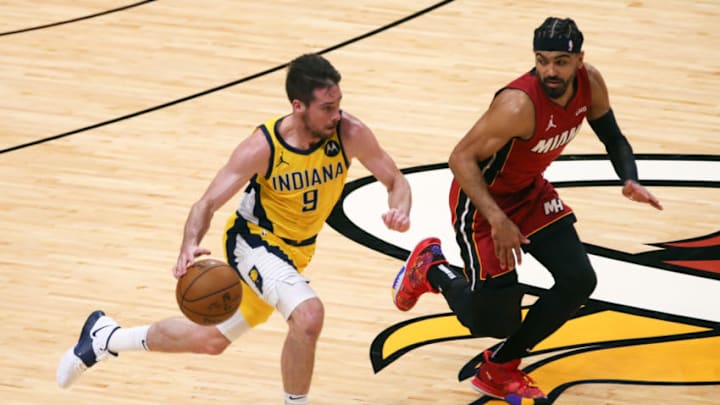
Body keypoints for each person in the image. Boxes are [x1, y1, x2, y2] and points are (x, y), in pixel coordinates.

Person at [57, 53, 411, 405]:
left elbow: (395, 179)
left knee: (211, 340)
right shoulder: (263, 147)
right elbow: (206, 203)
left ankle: (106, 337)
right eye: (327, 108)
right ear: (298, 106)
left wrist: (399, 210)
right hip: (254, 242)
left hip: (296, 253)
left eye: (339, 105)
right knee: (308, 316)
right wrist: (189, 244)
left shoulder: (350, 133)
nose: (337, 115)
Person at [391, 17, 662, 400]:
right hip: (483, 201)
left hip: (529, 193)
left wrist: (629, 178)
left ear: (579, 60)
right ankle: (433, 269)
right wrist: (497, 219)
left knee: (579, 280)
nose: (550, 71)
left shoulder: (591, 83)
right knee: (494, 319)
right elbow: (460, 159)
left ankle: (499, 366)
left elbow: (613, 136)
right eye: (542, 60)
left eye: (560, 62)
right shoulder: (517, 104)